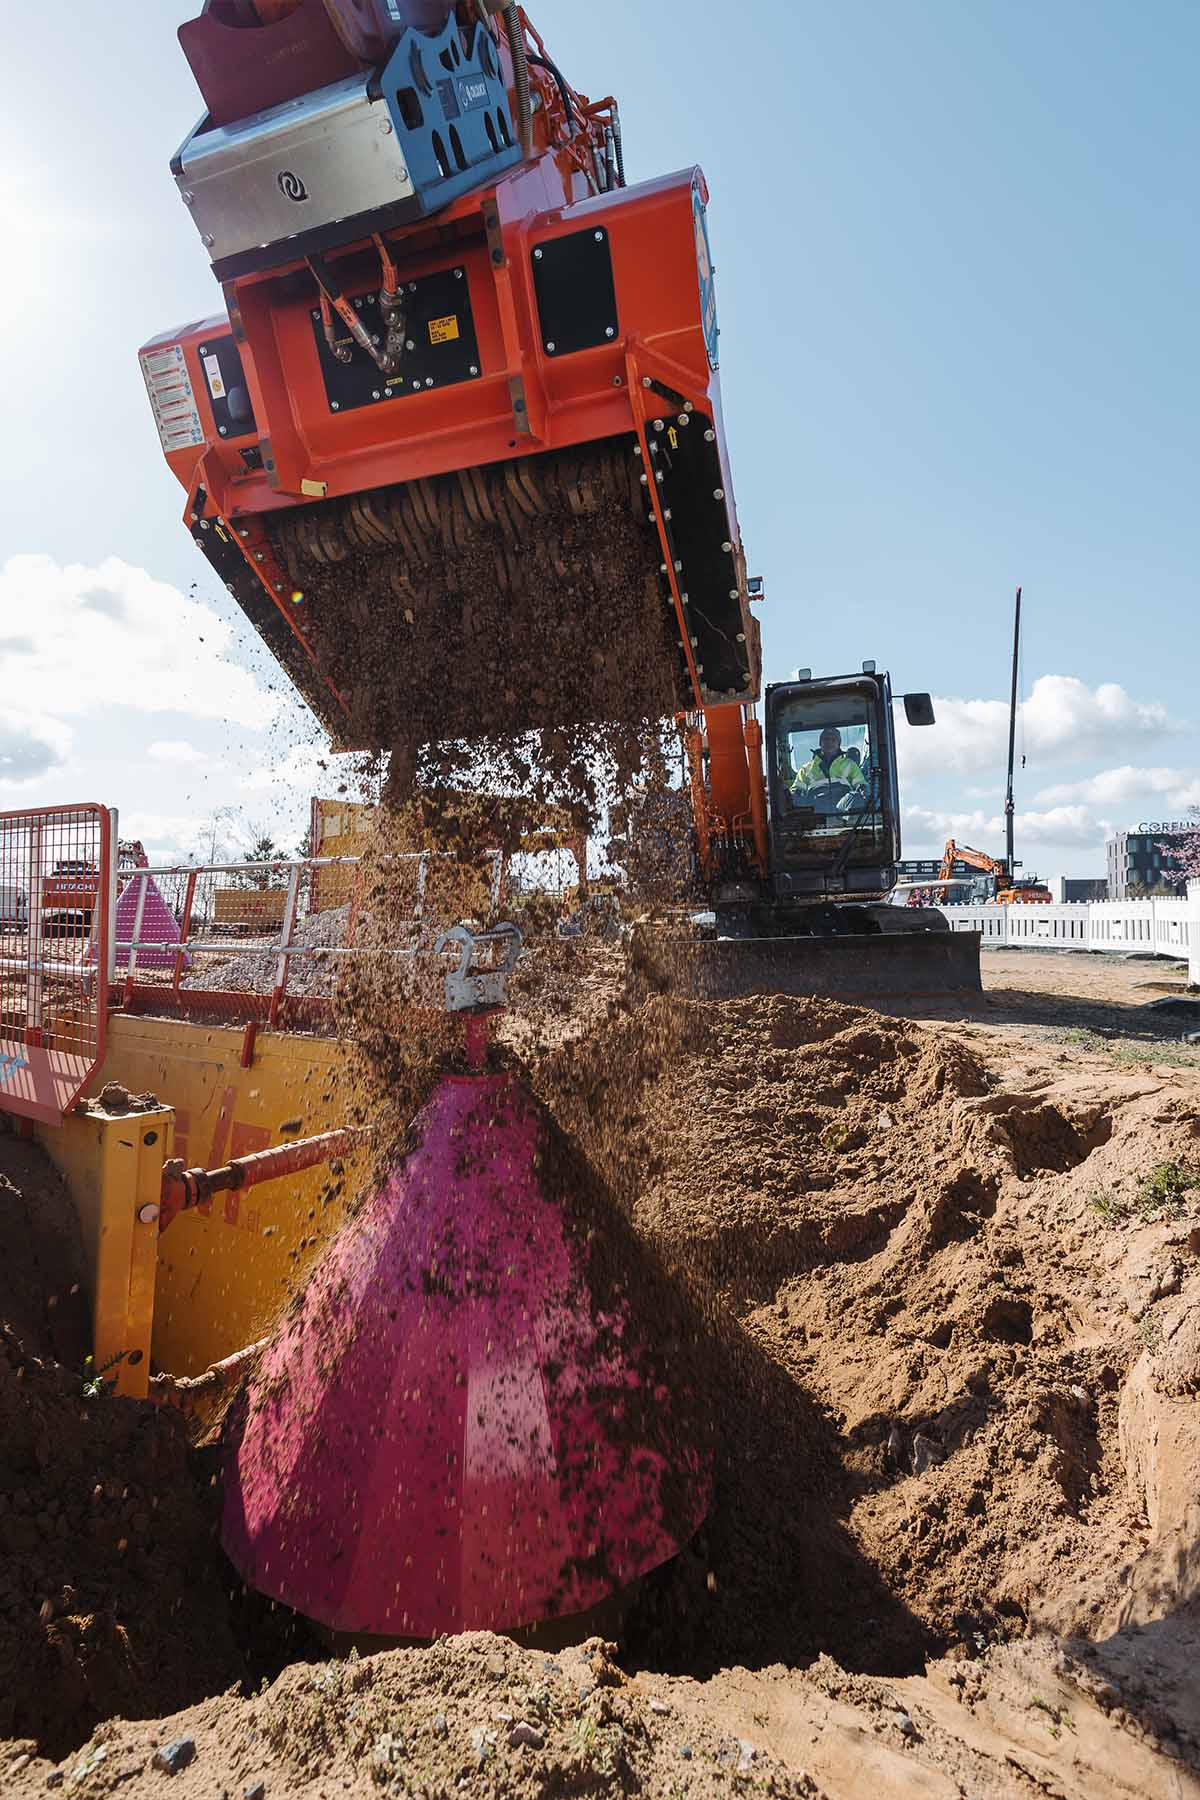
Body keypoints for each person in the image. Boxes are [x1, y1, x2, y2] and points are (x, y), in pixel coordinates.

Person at [790, 727, 868, 798]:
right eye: (826, 739)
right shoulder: (805, 769)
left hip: (845, 809)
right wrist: (796, 793)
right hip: (814, 811)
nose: (829, 742)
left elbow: (860, 784)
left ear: (838, 744)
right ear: (820, 743)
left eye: (833, 740)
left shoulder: (850, 765)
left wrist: (862, 789)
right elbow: (796, 790)